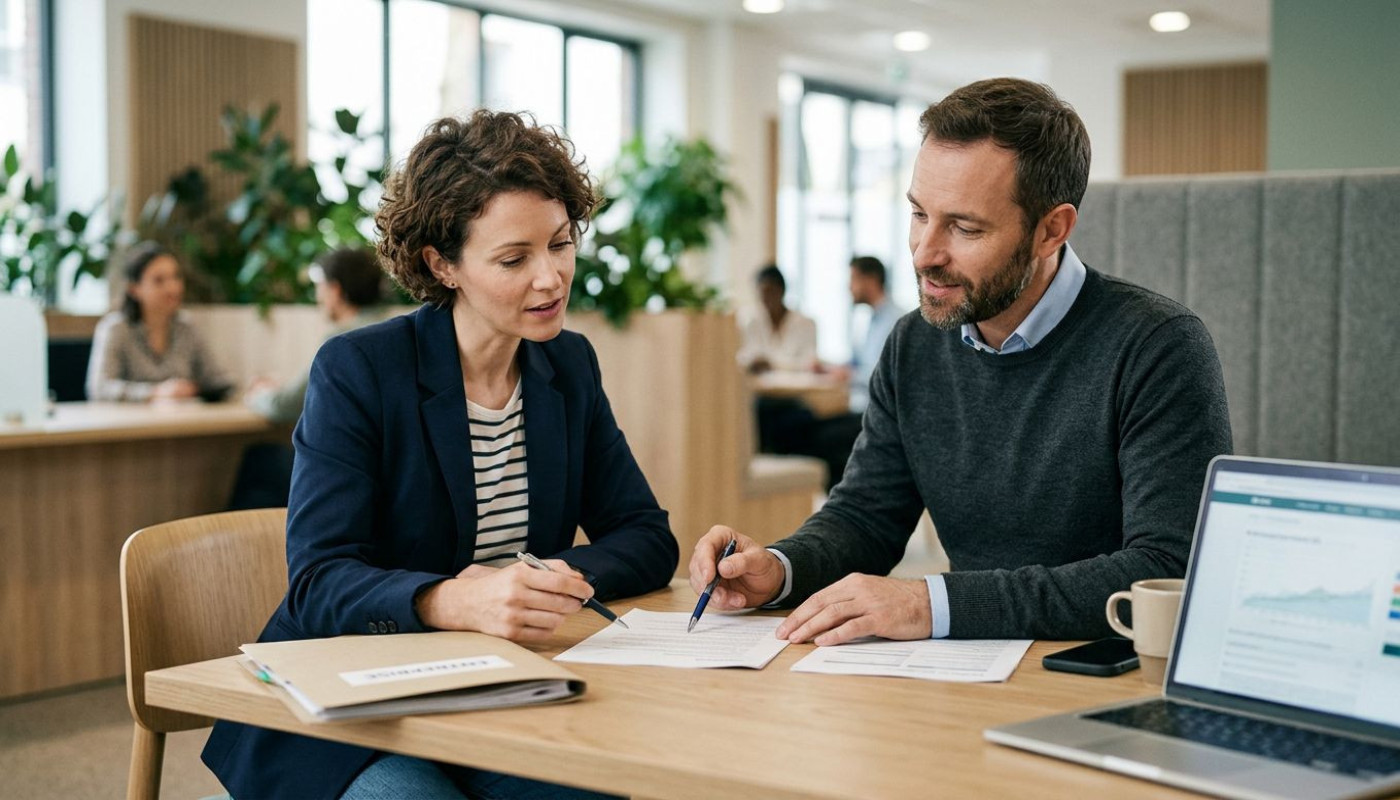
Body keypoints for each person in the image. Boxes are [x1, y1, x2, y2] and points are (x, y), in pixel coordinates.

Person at [202, 110, 679, 800]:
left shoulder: (567, 365)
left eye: (561, 244)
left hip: (497, 683)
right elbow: (319, 580)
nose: (551, 278)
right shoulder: (360, 369)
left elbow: (644, 536)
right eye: (514, 259)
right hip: (354, 691)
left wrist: (540, 579)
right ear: (442, 264)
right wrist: (454, 599)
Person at [689, 77, 1232, 645]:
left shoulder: (1159, 346)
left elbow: (1167, 569)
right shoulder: (914, 343)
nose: (925, 253)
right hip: (963, 671)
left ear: (1052, 230)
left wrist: (935, 603)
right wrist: (778, 569)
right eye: (920, 214)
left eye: (965, 227)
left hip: (1102, 676)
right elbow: (866, 516)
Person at [243, 246, 386, 424]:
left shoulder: (342, 341)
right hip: (394, 449)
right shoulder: (394, 331)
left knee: (259, 452)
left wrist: (258, 393)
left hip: (348, 449)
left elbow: (285, 405)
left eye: (319, 286)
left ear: (335, 290)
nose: (318, 296)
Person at [85, 242, 231, 402]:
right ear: (134, 289)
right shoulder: (116, 328)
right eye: (159, 280)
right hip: (132, 424)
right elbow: (99, 389)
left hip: (182, 423)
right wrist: (154, 392)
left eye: (176, 277)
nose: (173, 288)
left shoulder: (187, 327)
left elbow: (216, 380)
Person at [736, 264, 817, 374]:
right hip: (760, 388)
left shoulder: (806, 323)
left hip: (796, 388)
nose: (765, 299)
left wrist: (771, 364)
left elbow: (808, 362)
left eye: (770, 292)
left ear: (782, 291)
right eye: (762, 294)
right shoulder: (751, 321)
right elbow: (744, 356)